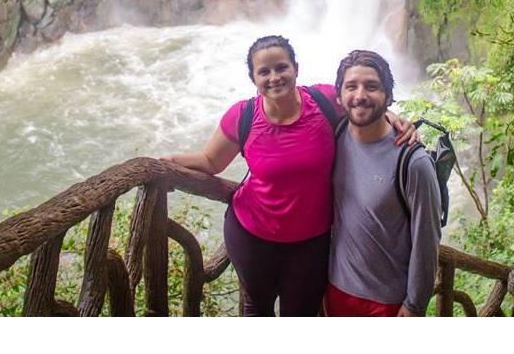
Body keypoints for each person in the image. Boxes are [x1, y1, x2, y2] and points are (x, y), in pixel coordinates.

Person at [163, 34, 416, 317]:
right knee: (257, 308)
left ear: (296, 68)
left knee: (301, 313)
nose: (274, 77)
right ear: (253, 78)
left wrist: (394, 118)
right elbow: (210, 161)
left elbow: (363, 102)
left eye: (281, 67)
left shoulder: (324, 101)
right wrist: (167, 164)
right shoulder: (243, 115)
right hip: (251, 234)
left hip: (311, 242)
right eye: (264, 71)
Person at [325, 49, 442, 317]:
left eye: (372, 87)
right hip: (334, 289)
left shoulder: (414, 162)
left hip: (386, 302)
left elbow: (428, 238)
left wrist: (414, 304)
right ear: (340, 96)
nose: (360, 95)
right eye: (351, 87)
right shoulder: (335, 133)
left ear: (388, 96)